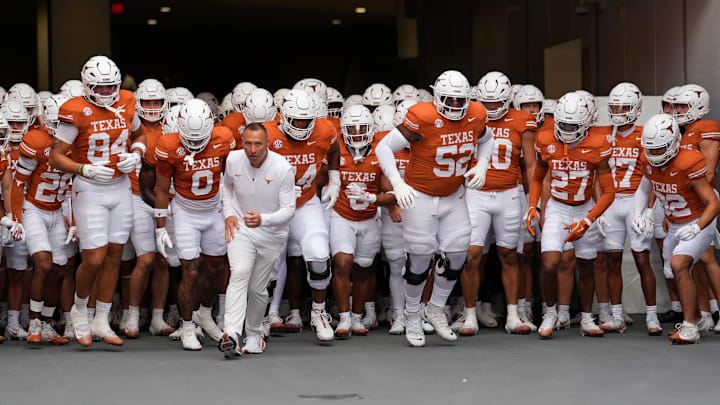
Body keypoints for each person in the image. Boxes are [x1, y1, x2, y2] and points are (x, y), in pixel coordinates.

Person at [376, 70, 492, 347]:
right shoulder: (423, 116)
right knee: (419, 259)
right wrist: (397, 183)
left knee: (458, 253)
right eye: (448, 100)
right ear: (436, 97)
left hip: (453, 195)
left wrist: (483, 163)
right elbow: (383, 148)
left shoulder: (476, 113)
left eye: (459, 100)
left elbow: (486, 140)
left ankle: (436, 308)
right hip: (421, 195)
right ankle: (412, 313)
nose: (454, 106)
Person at [51, 55, 147, 347]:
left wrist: (137, 154)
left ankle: (102, 318)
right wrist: (83, 168)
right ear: (87, 85)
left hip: (120, 187)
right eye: (100, 88)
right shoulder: (74, 110)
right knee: (93, 256)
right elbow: (56, 155)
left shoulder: (127, 100)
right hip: (90, 187)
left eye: (110, 87)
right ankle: (79, 311)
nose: (106, 93)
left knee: (115, 253)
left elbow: (140, 133)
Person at [525, 91, 615, 339]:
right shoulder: (545, 137)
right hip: (557, 205)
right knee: (550, 262)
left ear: (585, 123)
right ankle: (550, 312)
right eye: (562, 123)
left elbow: (609, 192)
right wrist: (533, 205)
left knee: (586, 266)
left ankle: (586, 317)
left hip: (584, 207)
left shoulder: (598, 143)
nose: (564, 128)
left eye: (571, 125)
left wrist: (589, 220)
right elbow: (538, 177)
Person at [455, 71, 537, 336]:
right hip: (476, 193)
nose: (490, 107)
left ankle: (514, 314)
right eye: (486, 102)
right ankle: (469, 315)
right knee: (471, 256)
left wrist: (533, 201)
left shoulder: (522, 120)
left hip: (509, 193)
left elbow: (530, 165)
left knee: (510, 255)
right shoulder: (469, 117)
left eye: (495, 102)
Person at [154, 99, 235, 351]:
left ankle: (205, 313)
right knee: (190, 269)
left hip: (214, 209)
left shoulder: (223, 138)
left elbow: (232, 175)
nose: (196, 144)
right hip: (185, 211)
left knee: (217, 267)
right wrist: (160, 225)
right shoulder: (168, 145)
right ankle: (188, 325)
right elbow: (162, 188)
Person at [632, 113, 720, 344]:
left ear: (672, 144)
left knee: (679, 264)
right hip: (675, 221)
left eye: (659, 149)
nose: (653, 155)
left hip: (698, 220)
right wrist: (640, 215)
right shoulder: (647, 158)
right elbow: (643, 189)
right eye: (649, 149)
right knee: (671, 273)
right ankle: (699, 317)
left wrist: (699, 227)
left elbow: (713, 203)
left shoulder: (689, 161)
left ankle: (690, 327)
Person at [263, 89, 340, 343]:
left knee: (319, 254)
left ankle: (318, 313)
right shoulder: (266, 134)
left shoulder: (324, 130)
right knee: (269, 266)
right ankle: (261, 319)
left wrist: (334, 179)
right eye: (297, 120)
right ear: (283, 117)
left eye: (307, 121)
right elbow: (246, 168)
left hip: (306, 203)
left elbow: (334, 147)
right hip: (273, 206)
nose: (302, 126)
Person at [218, 123, 295, 358]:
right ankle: (231, 333)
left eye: (257, 144)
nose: (252, 149)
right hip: (241, 228)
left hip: (271, 233)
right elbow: (227, 187)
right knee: (239, 272)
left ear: (267, 144)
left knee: (257, 288)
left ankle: (254, 333)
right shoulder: (232, 159)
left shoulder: (283, 168)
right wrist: (229, 213)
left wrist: (264, 220)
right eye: (248, 143)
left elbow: (289, 210)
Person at [593, 82, 660, 335]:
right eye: (615, 107)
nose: (619, 112)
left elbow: (656, 174)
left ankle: (652, 315)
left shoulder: (646, 134)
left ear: (636, 108)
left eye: (624, 107)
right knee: (612, 259)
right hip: (611, 201)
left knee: (642, 259)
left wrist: (649, 210)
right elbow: (595, 175)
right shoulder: (601, 134)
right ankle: (617, 315)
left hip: (635, 200)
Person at [12, 94, 72, 345]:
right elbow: (18, 183)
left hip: (58, 210)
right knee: (44, 265)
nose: (60, 129)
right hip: (34, 208)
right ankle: (35, 321)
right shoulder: (36, 140)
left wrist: (74, 220)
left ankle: (47, 323)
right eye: (55, 122)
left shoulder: (76, 141)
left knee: (59, 270)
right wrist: (16, 218)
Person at [330, 105, 395, 337]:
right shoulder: (335, 148)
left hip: (369, 218)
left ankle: (357, 318)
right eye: (352, 129)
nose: (357, 134)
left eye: (362, 129)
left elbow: (390, 192)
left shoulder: (380, 151)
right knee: (342, 263)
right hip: (342, 216)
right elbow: (320, 180)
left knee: (363, 269)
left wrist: (376, 199)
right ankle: (344, 317)